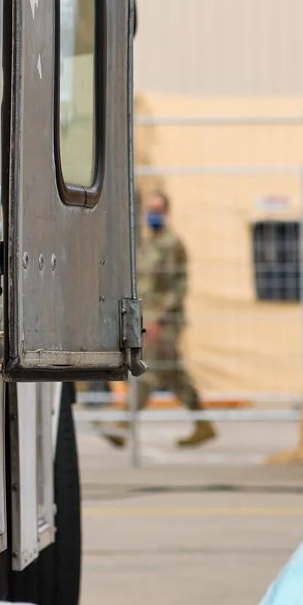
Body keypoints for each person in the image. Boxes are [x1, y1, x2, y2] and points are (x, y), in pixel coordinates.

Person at [102, 190, 217, 450]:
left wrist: (159, 319)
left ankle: (123, 425)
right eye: (149, 209)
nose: (152, 214)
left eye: (157, 209)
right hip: (148, 319)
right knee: (174, 375)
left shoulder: (172, 244)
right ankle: (203, 424)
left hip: (164, 323)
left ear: (167, 212)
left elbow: (177, 287)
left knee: (149, 373)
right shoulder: (147, 243)